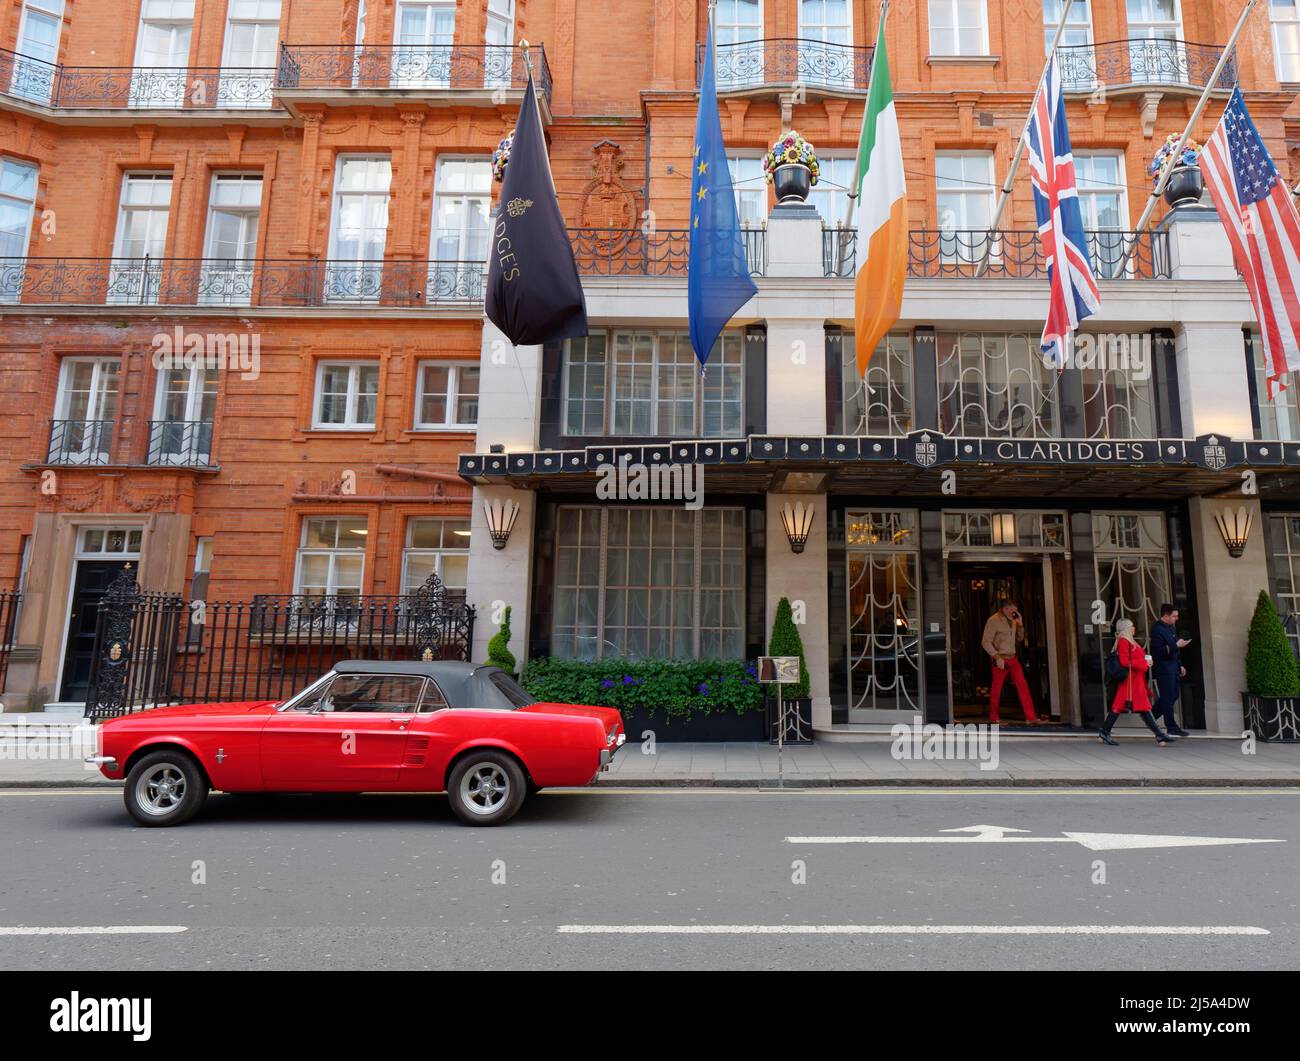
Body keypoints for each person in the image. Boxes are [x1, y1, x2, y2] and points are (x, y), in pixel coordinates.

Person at [1099, 618, 1177, 746]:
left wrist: (1145, 662)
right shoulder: (1124, 641)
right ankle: (1159, 735)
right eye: (1132, 626)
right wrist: (1143, 663)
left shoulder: (1128, 641)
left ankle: (1159, 735)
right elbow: (1125, 662)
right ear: (1126, 628)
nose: (1134, 628)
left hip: (1135, 681)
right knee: (1131, 707)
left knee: (1140, 707)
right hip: (1131, 681)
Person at [980, 598, 1041, 725]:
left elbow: (1019, 639)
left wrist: (1020, 625)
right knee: (997, 688)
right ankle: (994, 717)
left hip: (1013, 658)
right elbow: (985, 642)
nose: (1014, 613)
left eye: (1016, 611)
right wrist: (996, 657)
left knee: (1023, 686)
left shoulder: (1014, 621)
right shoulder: (993, 621)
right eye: (1012, 611)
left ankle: (1030, 717)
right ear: (1005, 609)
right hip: (1000, 658)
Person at [1150, 603, 1192, 737]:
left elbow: (1175, 649)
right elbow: (1158, 652)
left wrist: (1180, 664)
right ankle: (1171, 727)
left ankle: (1149, 717)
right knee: (1167, 698)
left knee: (1173, 695)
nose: (1177, 618)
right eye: (1174, 616)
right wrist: (1176, 645)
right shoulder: (1157, 630)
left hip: (1173, 667)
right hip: (1164, 669)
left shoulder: (1171, 628)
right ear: (1166, 616)